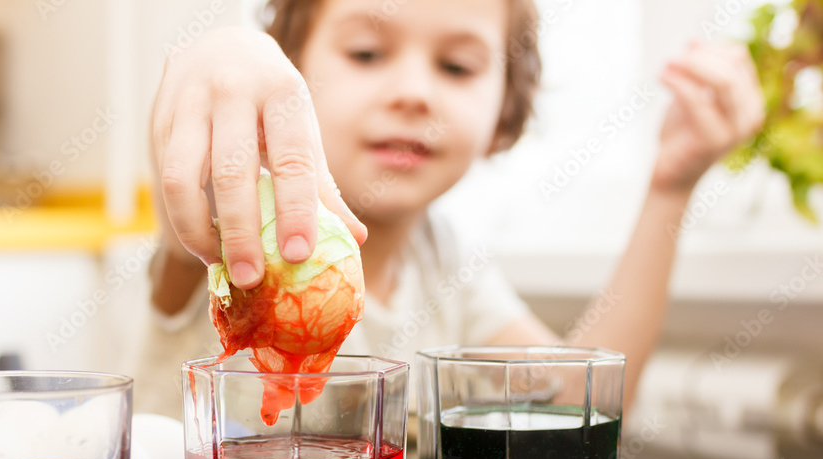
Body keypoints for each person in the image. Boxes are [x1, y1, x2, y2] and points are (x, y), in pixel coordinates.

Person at [135, 0, 764, 419]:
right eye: (366, 53)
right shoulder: (236, 217)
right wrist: (226, 58)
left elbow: (580, 402)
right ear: (290, 81)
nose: (414, 92)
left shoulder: (444, 260)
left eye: (457, 66)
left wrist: (669, 189)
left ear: (504, 114)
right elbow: (190, 173)